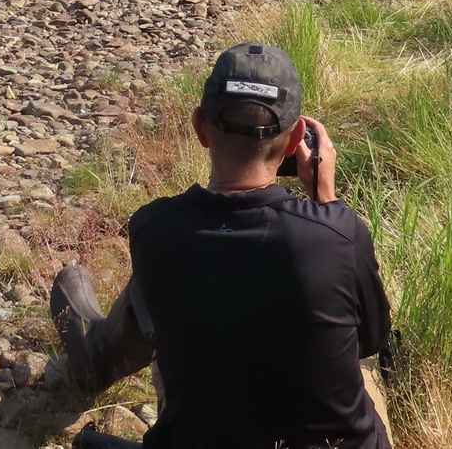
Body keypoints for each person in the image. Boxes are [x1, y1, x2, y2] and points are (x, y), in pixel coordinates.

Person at [50, 43, 392, 449]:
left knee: (166, 280)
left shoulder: (154, 230)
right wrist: (325, 201)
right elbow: (371, 340)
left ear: (200, 127)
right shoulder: (339, 233)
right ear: (297, 137)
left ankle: (95, 357)